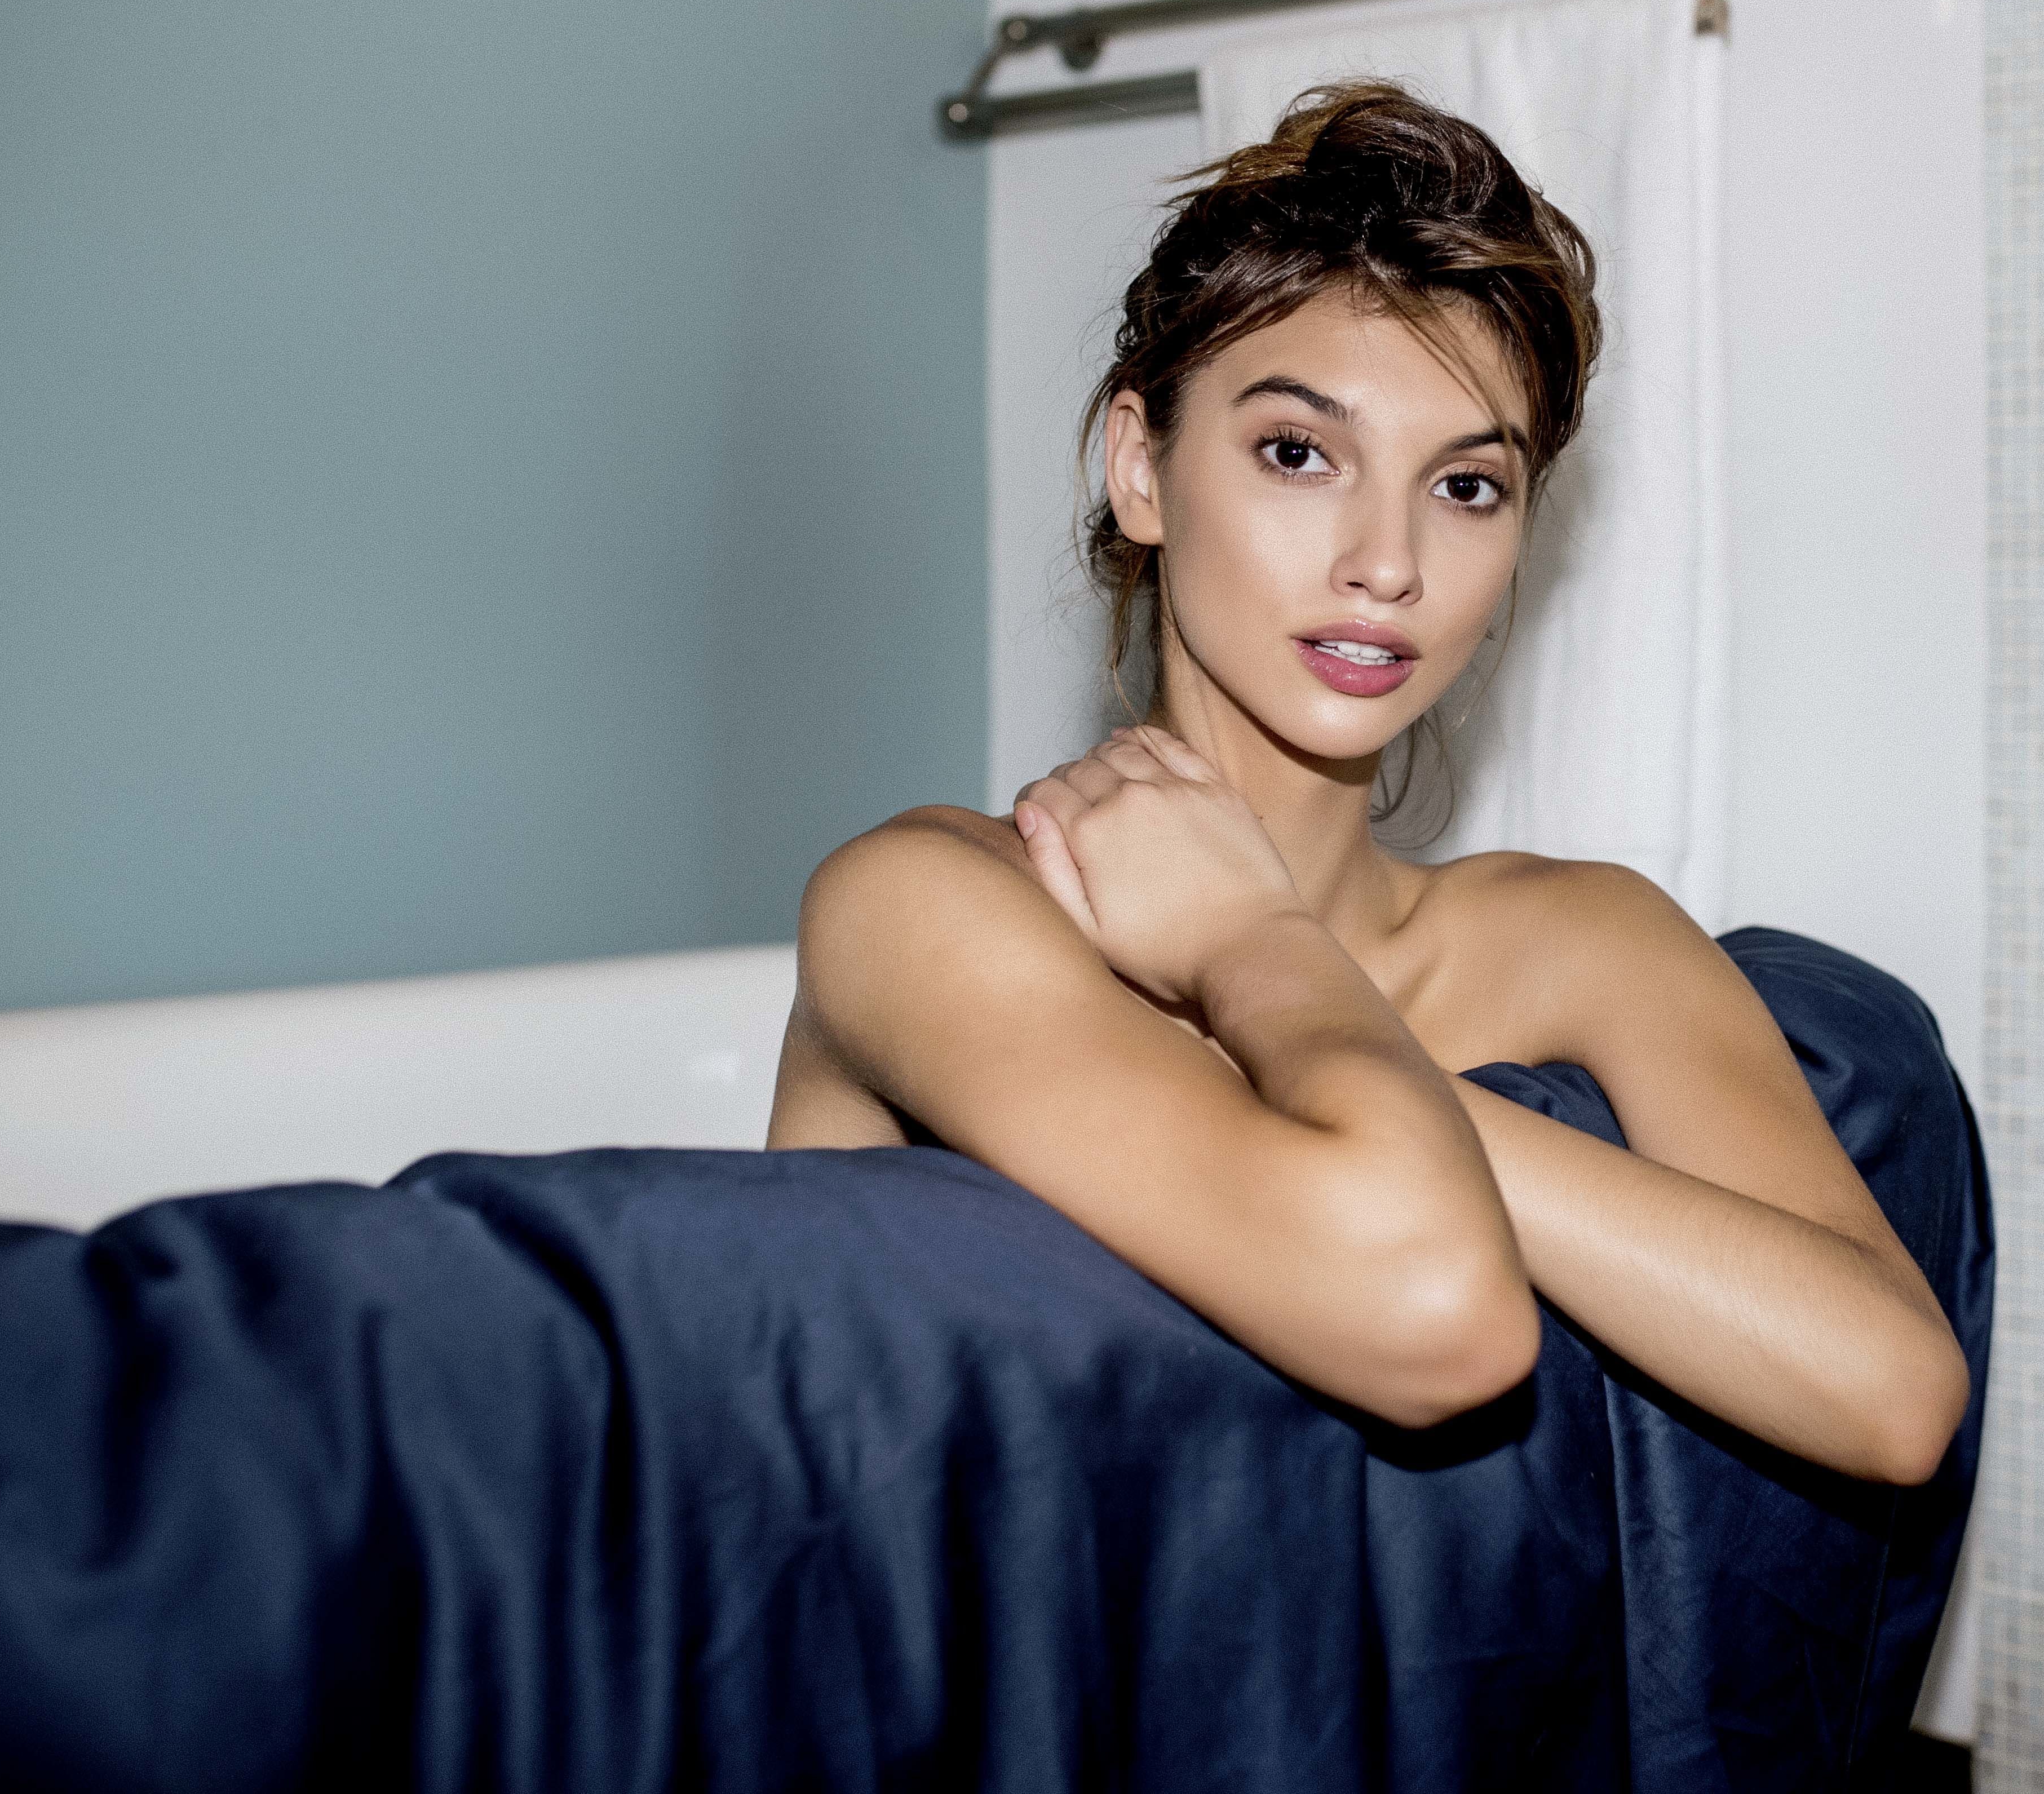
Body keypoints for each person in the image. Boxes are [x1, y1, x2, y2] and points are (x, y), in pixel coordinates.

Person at [768, 83, 1966, 1485]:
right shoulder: (923, 908)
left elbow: (1896, 1396)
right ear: (1141, 467)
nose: (1387, 562)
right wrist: (1259, 951)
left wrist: (1274, 973)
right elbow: (1429, 1307)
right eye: (1299, 454)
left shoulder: (1580, 941)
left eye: (1466, 487)